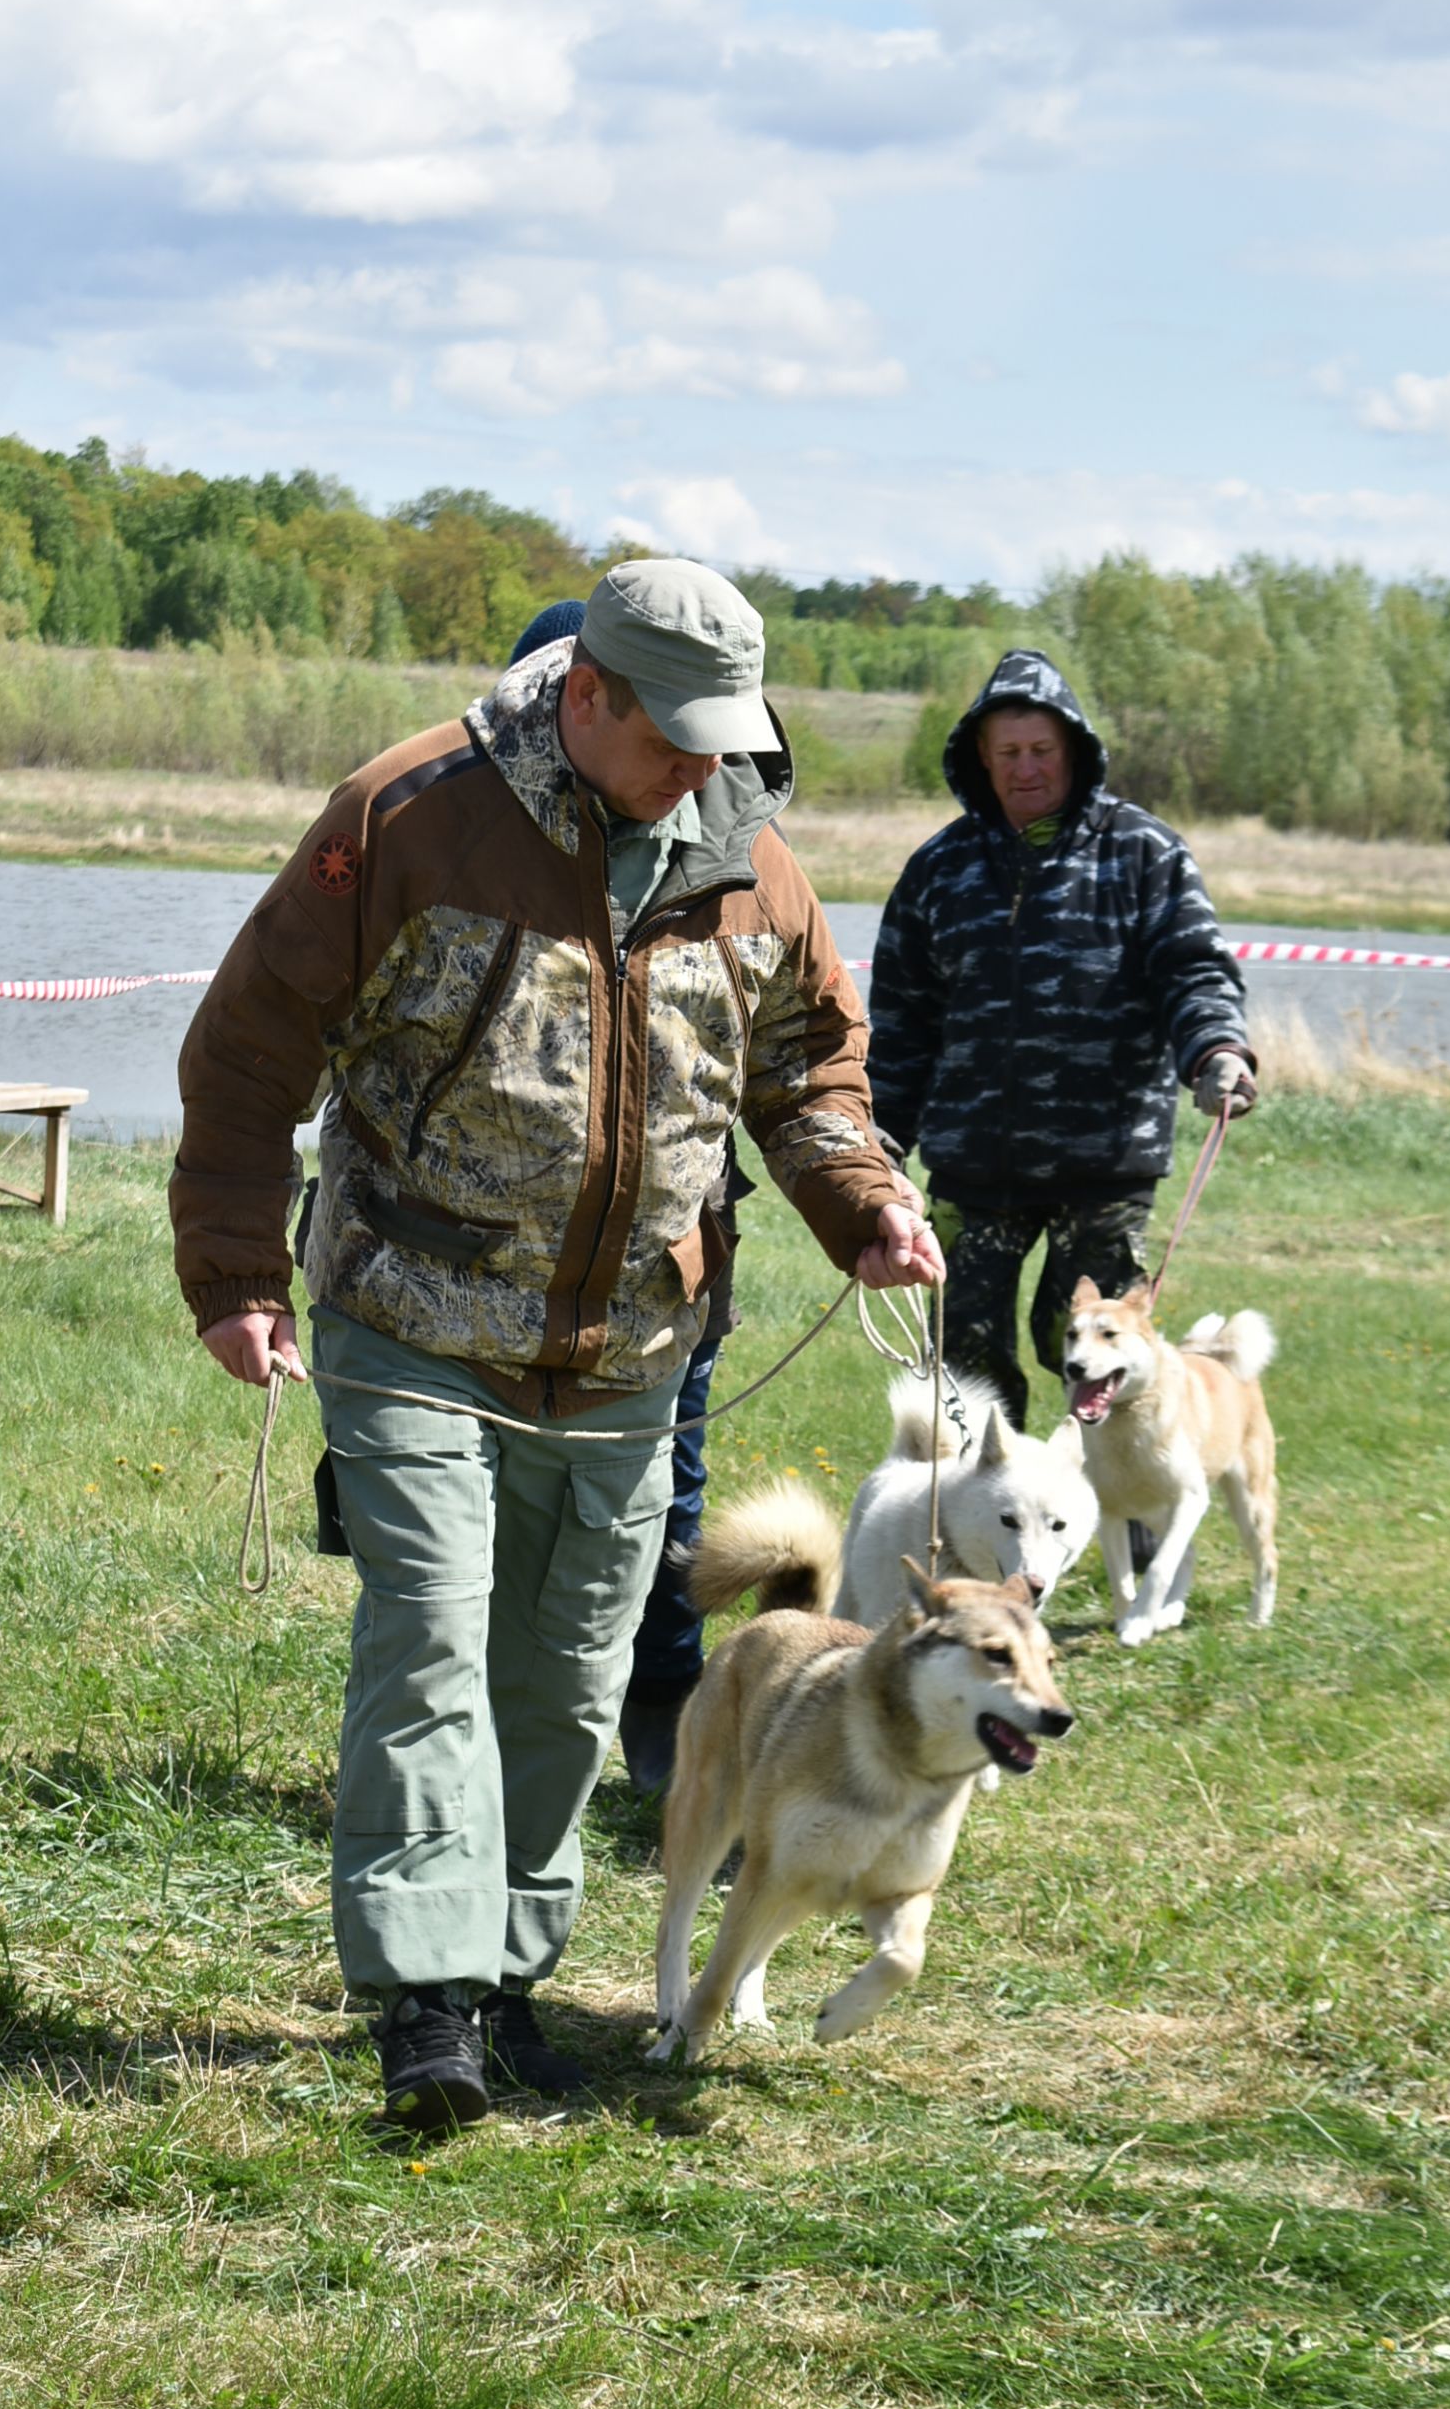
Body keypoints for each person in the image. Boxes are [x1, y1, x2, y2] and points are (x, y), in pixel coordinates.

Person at [173, 558, 944, 2136]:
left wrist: (860, 1199)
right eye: (674, 734)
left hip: (634, 1350)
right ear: (586, 695)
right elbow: (252, 1051)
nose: (705, 767)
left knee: (574, 1673)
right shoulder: (405, 818)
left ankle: (511, 1975)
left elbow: (808, 1079)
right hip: (413, 1317)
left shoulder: (755, 863)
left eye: (725, 736)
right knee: (431, 1649)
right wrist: (238, 1269)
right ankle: (423, 1998)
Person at [866, 650, 1255, 1432]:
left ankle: (1131, 1536)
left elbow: (1193, 969)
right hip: (974, 1165)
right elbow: (904, 1018)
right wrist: (878, 1137)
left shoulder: (1145, 854)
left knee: (1081, 1346)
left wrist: (1218, 1050)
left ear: (1073, 749)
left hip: (1103, 1165)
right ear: (981, 758)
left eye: (1042, 751)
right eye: (1008, 753)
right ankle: (986, 1530)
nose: (1027, 769)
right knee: (967, 1360)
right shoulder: (938, 869)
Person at [502, 596, 740, 1805]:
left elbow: (794, 1050)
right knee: (476, 1535)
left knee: (663, 1514)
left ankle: (665, 1732)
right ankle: (478, 1757)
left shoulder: (719, 852)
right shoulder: (460, 836)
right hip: (474, 1287)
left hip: (665, 1278)